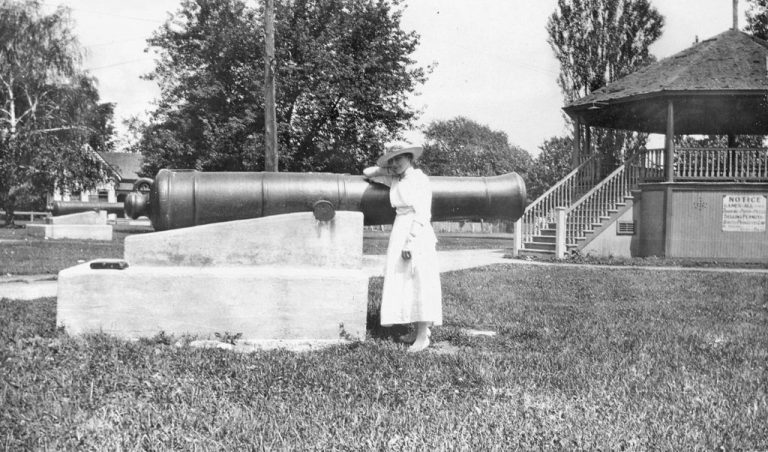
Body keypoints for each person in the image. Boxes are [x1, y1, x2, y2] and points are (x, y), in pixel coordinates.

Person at [363, 146, 442, 352]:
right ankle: (417, 330)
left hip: (416, 231)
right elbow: (367, 173)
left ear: (410, 158)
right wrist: (386, 170)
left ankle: (423, 336)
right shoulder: (395, 179)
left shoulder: (420, 179)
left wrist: (411, 241)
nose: (395, 163)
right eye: (392, 160)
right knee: (403, 280)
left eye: (399, 159)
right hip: (400, 227)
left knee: (419, 280)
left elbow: (423, 213)